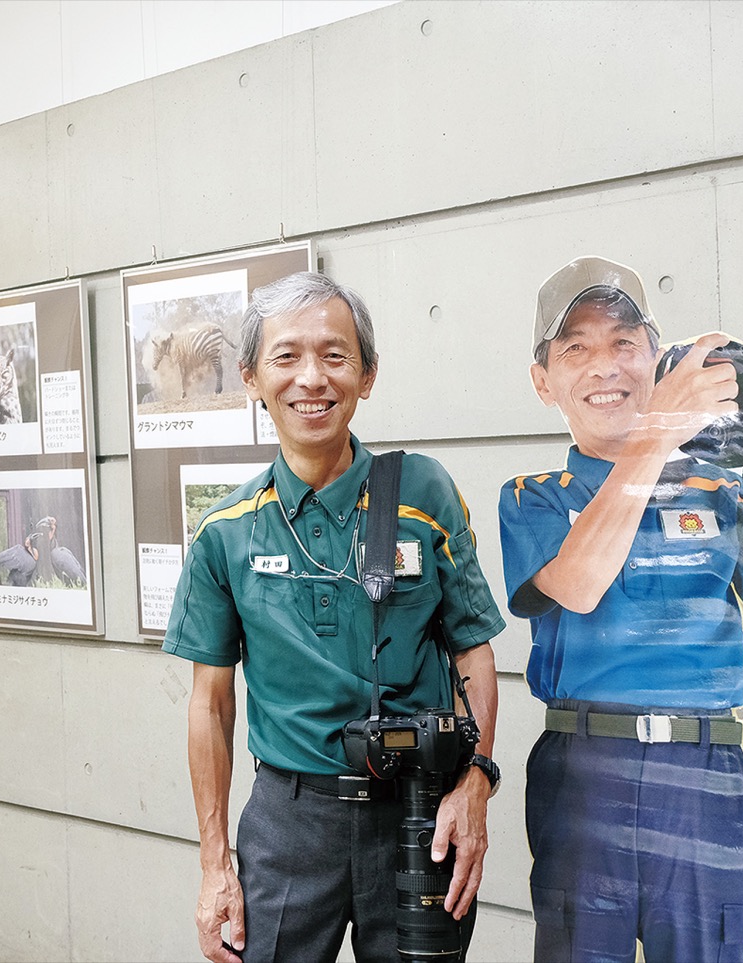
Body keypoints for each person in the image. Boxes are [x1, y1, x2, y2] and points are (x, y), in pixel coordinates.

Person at [498, 255, 743, 963]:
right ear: (543, 382)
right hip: (585, 773)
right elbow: (581, 583)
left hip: (706, 775)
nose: (605, 366)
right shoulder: (536, 495)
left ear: (655, 357)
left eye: (625, 343)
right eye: (577, 349)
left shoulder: (715, 486)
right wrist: (657, 435)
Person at [164, 271, 505, 963]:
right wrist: (213, 865)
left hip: (417, 814)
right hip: (290, 823)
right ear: (252, 377)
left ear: (368, 375)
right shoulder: (224, 533)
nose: (311, 378)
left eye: (335, 355)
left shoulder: (426, 494)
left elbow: (474, 655)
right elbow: (211, 703)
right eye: (286, 357)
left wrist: (476, 785)